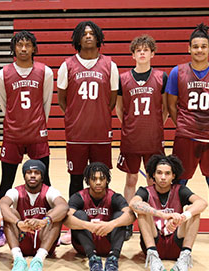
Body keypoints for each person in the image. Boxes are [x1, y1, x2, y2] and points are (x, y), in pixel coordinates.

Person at [166, 23, 209, 248]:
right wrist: (185, 126)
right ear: (189, 49)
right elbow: (172, 105)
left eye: (203, 46)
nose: (199, 50)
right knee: (179, 183)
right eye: (195, 46)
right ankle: (171, 230)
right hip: (186, 135)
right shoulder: (178, 72)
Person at [57, 20, 119, 244]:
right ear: (77, 39)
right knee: (75, 180)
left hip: (101, 132)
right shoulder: (68, 65)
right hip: (76, 133)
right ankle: (72, 227)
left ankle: (105, 222)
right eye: (84, 33)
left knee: (103, 179)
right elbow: (62, 99)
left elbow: (111, 99)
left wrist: (98, 114)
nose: (88, 36)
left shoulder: (109, 65)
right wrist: (77, 115)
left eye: (92, 33)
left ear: (99, 37)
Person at [0, 30, 54, 247]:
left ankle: (47, 225)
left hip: (37, 132)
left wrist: (38, 124)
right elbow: (4, 104)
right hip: (12, 133)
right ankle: (2, 225)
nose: (23, 49)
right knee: (6, 181)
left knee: (45, 182)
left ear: (33, 48)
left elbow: (46, 103)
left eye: (27, 45)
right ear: (14, 48)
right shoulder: (3, 74)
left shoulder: (45, 72)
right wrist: (15, 122)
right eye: (19, 45)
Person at [115, 34, 168, 240]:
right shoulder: (123, 78)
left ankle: (156, 219)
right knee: (131, 178)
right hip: (131, 137)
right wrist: (130, 124)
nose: (142, 53)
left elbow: (164, 108)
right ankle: (128, 219)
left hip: (153, 137)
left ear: (152, 54)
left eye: (146, 50)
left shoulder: (161, 77)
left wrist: (156, 124)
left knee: (156, 181)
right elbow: (120, 108)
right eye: (138, 50)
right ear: (133, 55)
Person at [130, 154, 207, 271]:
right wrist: (162, 215)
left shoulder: (180, 190)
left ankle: (183, 260)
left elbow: (202, 203)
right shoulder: (145, 191)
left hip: (176, 243)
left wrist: (182, 217)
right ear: (153, 175)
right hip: (154, 241)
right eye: (159, 173)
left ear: (173, 176)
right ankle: (154, 260)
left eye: (167, 173)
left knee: (193, 210)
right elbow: (133, 204)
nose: (163, 177)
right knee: (143, 208)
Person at [64, 162, 135, 271]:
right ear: (87, 180)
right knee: (79, 215)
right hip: (84, 245)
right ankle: (93, 259)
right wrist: (87, 225)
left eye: (102, 179)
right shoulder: (79, 197)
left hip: (107, 243)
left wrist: (111, 224)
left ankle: (113, 259)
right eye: (94, 179)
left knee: (120, 216)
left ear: (107, 180)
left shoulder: (114, 197)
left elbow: (131, 215)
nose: (98, 182)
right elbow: (66, 219)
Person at [0, 160, 68, 271]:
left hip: (44, 238)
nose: (32, 175)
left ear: (42, 176)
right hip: (22, 237)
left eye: (36, 173)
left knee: (55, 215)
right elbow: (2, 204)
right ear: (24, 175)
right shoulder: (15, 192)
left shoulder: (50, 191)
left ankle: (39, 260)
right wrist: (18, 222)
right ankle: (18, 259)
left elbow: (63, 206)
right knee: (10, 214)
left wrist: (44, 221)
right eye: (29, 172)